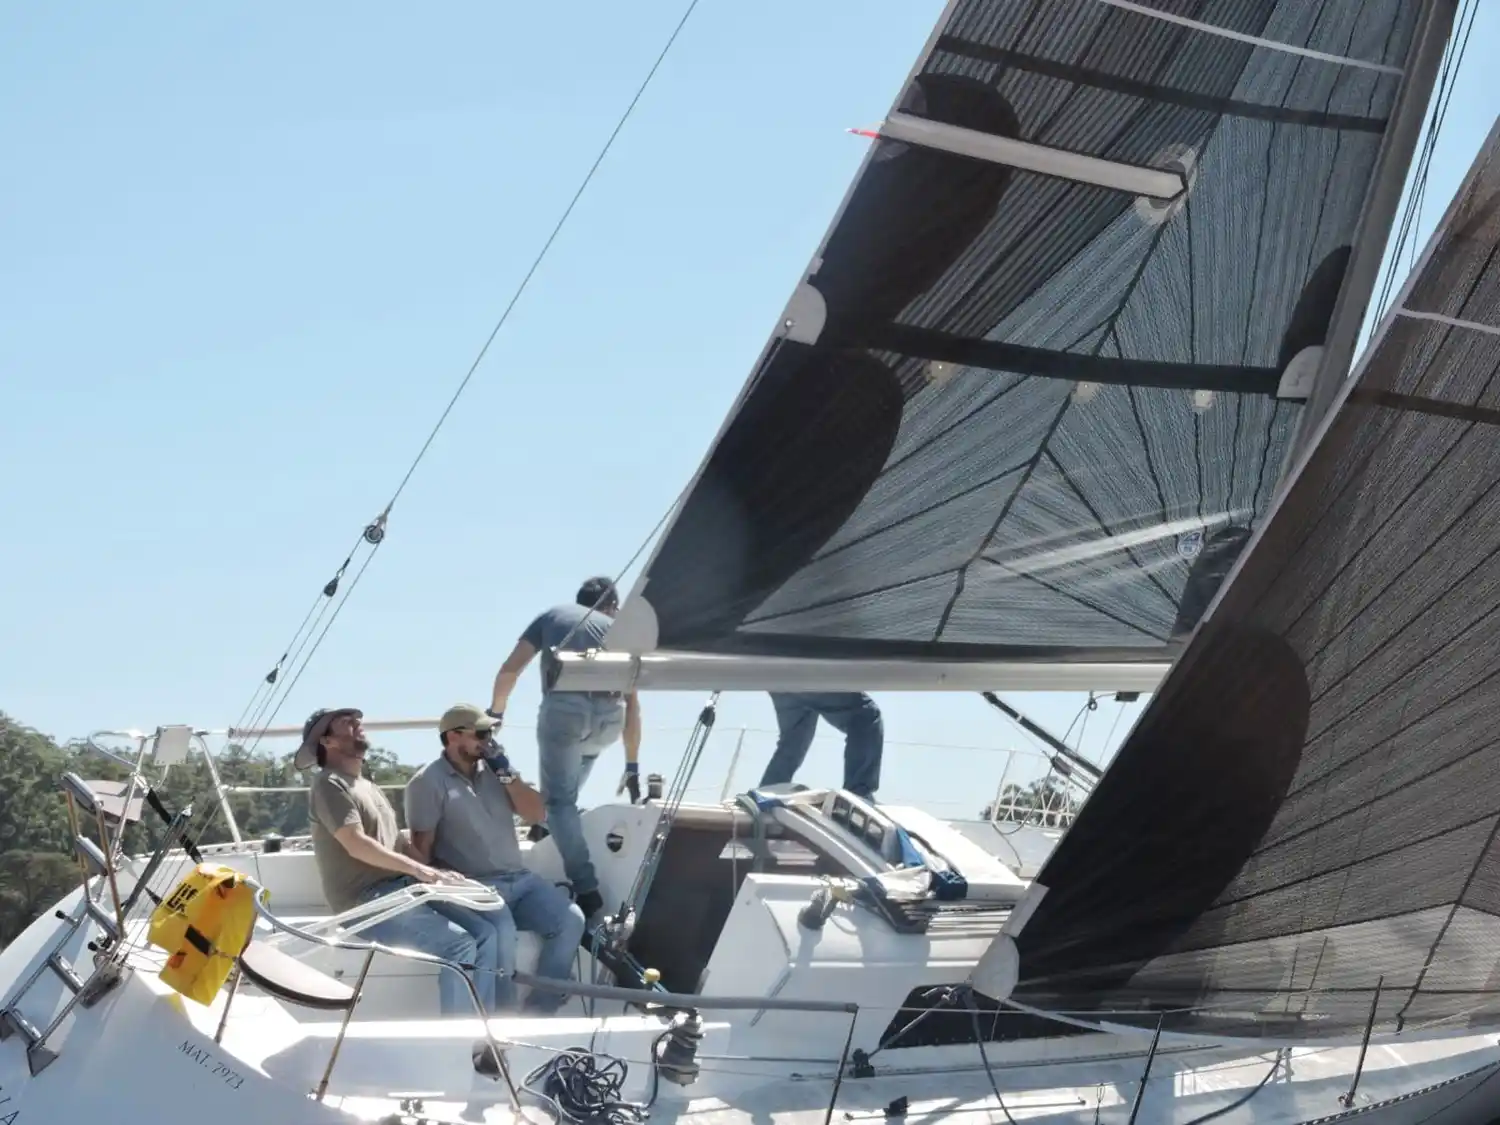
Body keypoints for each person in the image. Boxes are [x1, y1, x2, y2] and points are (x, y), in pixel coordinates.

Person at [297, 706, 497, 1017]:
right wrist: (420, 871)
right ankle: (459, 1040)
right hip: (364, 902)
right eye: (346, 723)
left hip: (400, 887)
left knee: (488, 932)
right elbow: (356, 844)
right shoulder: (328, 784)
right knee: (459, 945)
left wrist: (438, 873)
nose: (357, 724)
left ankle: (483, 1026)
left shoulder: (368, 786)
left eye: (357, 720)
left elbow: (399, 844)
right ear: (327, 742)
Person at [405, 704, 586, 1014]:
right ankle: (501, 1020)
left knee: (571, 920)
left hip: (519, 879)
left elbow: (536, 814)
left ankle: (538, 1012)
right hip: (476, 885)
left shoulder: (496, 772)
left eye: (490, 734)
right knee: (501, 932)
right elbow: (422, 850)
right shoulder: (427, 782)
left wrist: (507, 772)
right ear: (453, 737)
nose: (488, 741)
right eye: (481, 734)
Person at [490, 576, 642, 920]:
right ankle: (544, 829)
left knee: (560, 801)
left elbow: (510, 669)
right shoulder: (620, 631)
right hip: (610, 720)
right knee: (576, 771)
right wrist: (632, 765)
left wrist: (496, 711)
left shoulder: (554, 616)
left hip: (566, 713)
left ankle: (586, 888)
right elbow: (634, 706)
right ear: (612, 606)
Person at [762, 692, 883, 799]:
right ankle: (858, 794)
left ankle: (766, 793)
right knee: (866, 716)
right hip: (809, 673)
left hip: (779, 678)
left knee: (794, 739)